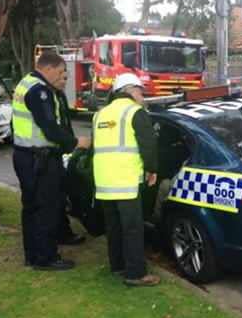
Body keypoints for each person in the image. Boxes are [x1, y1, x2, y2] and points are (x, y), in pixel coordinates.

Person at [12, 52, 90, 271]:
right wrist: (76, 143)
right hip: (39, 158)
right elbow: (49, 127)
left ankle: (33, 254)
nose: (61, 77)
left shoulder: (25, 83)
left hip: (25, 154)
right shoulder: (40, 91)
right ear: (47, 68)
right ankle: (45, 257)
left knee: (32, 207)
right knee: (45, 207)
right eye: (59, 73)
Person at [92, 73, 160, 287]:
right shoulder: (135, 112)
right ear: (130, 90)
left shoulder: (100, 114)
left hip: (104, 181)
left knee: (113, 226)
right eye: (141, 91)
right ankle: (135, 274)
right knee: (132, 228)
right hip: (126, 180)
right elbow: (148, 146)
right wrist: (152, 170)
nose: (143, 96)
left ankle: (117, 265)